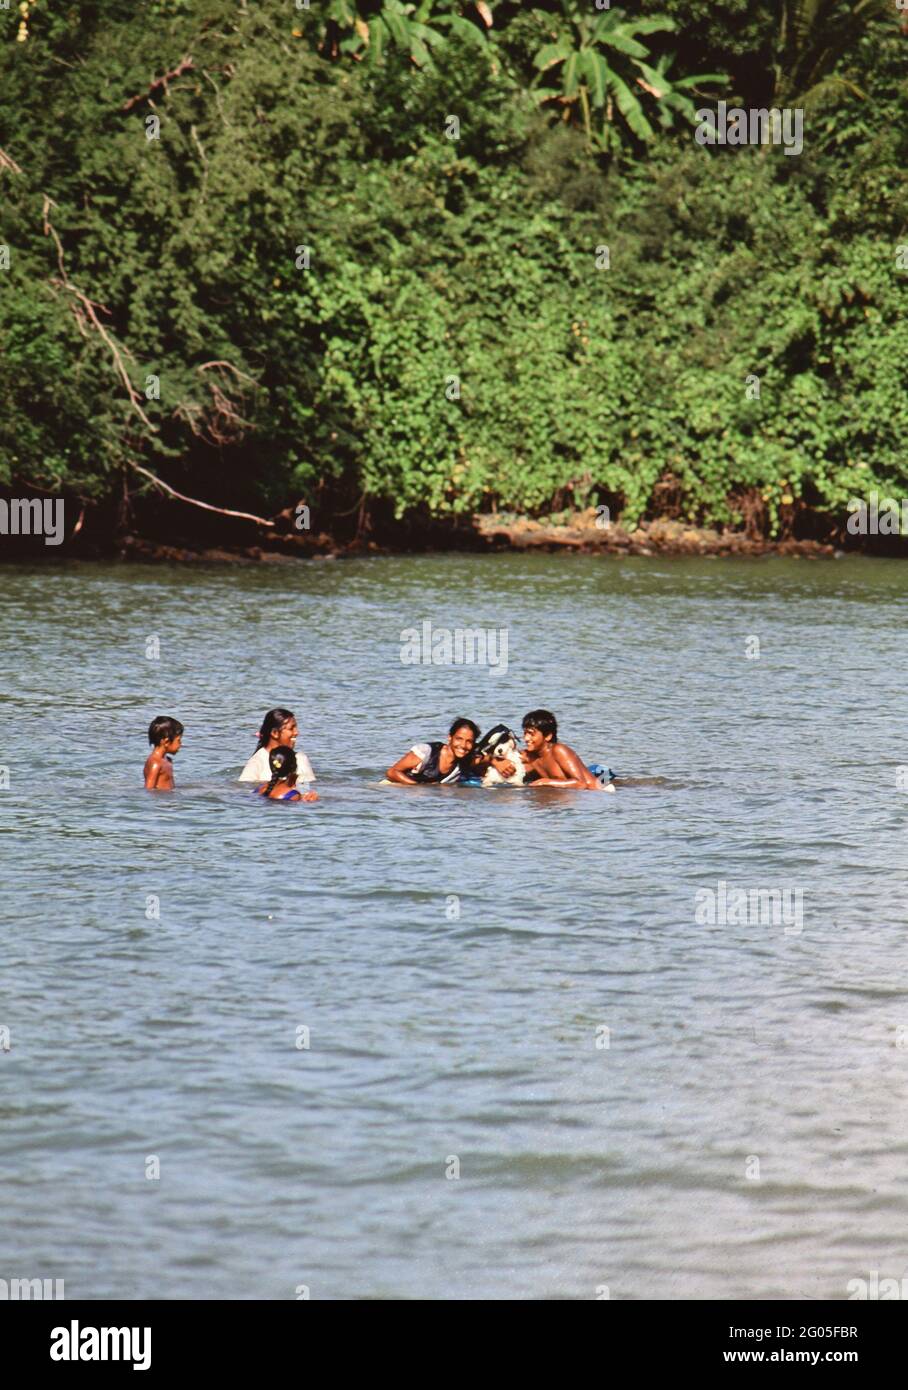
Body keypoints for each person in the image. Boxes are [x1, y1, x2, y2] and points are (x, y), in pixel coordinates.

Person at [521, 709, 603, 789]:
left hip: (594, 794)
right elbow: (511, 757)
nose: (526, 738)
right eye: (525, 733)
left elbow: (581, 783)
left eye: (531, 734)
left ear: (548, 736)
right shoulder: (529, 755)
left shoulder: (558, 750)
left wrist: (545, 782)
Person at [385, 718, 480, 785]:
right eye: (459, 739)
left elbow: (489, 759)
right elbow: (392, 772)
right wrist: (416, 787)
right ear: (450, 737)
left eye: (469, 741)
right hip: (396, 790)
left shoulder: (464, 761)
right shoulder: (425, 752)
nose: (463, 745)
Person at [239, 708, 316, 786]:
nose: (296, 732)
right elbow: (244, 789)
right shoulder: (257, 761)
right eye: (291, 728)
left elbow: (311, 787)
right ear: (274, 733)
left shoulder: (301, 758)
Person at [144, 716, 184, 791]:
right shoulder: (155, 763)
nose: (181, 744)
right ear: (166, 742)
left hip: (168, 800)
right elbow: (148, 789)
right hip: (160, 801)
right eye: (178, 740)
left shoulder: (167, 760)